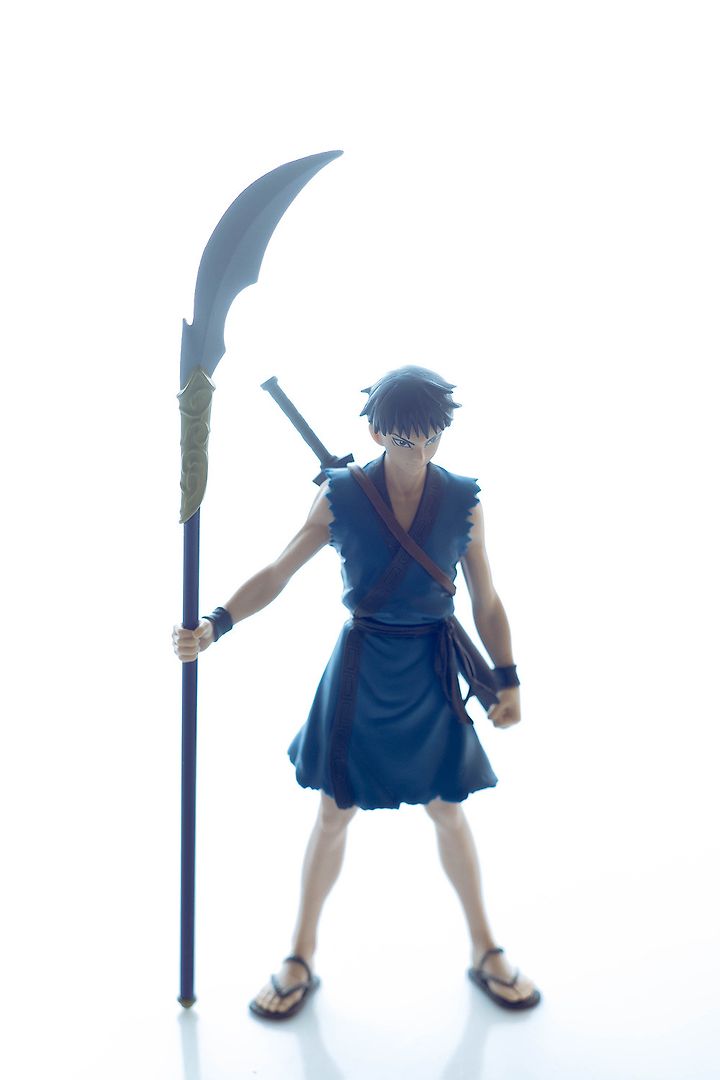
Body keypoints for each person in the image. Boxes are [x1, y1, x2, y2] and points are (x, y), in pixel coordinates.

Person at [172, 365, 541, 1017]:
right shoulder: (341, 496)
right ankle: (299, 954)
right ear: (376, 433)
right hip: (363, 669)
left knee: (448, 808)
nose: (418, 453)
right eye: (403, 440)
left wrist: (506, 676)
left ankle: (485, 947)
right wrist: (216, 623)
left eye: (429, 439)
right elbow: (278, 571)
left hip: (431, 669)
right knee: (333, 812)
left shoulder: (463, 500)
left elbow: (486, 599)